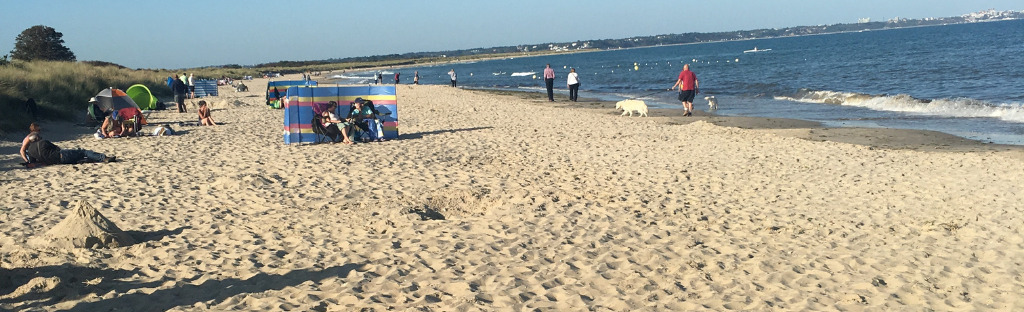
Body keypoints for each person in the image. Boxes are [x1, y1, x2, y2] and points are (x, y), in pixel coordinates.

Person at [20, 123, 114, 166]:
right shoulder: (43, 142)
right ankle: (103, 158)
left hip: (57, 162)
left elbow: (33, 161)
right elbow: (57, 148)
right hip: (60, 155)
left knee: (78, 157)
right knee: (83, 151)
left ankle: (91, 160)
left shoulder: (31, 151)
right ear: (37, 138)